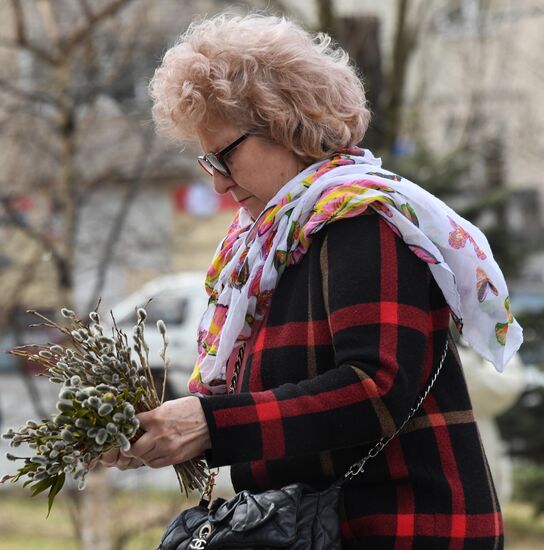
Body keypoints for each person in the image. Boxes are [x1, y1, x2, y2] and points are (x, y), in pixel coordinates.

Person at [98, 13, 523, 548]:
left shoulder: (363, 221)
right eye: (207, 160)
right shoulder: (272, 244)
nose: (219, 181)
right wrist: (158, 426)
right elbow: (279, 403)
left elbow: (377, 389)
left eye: (225, 154)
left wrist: (209, 424)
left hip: (404, 530)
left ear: (287, 123)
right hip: (326, 528)